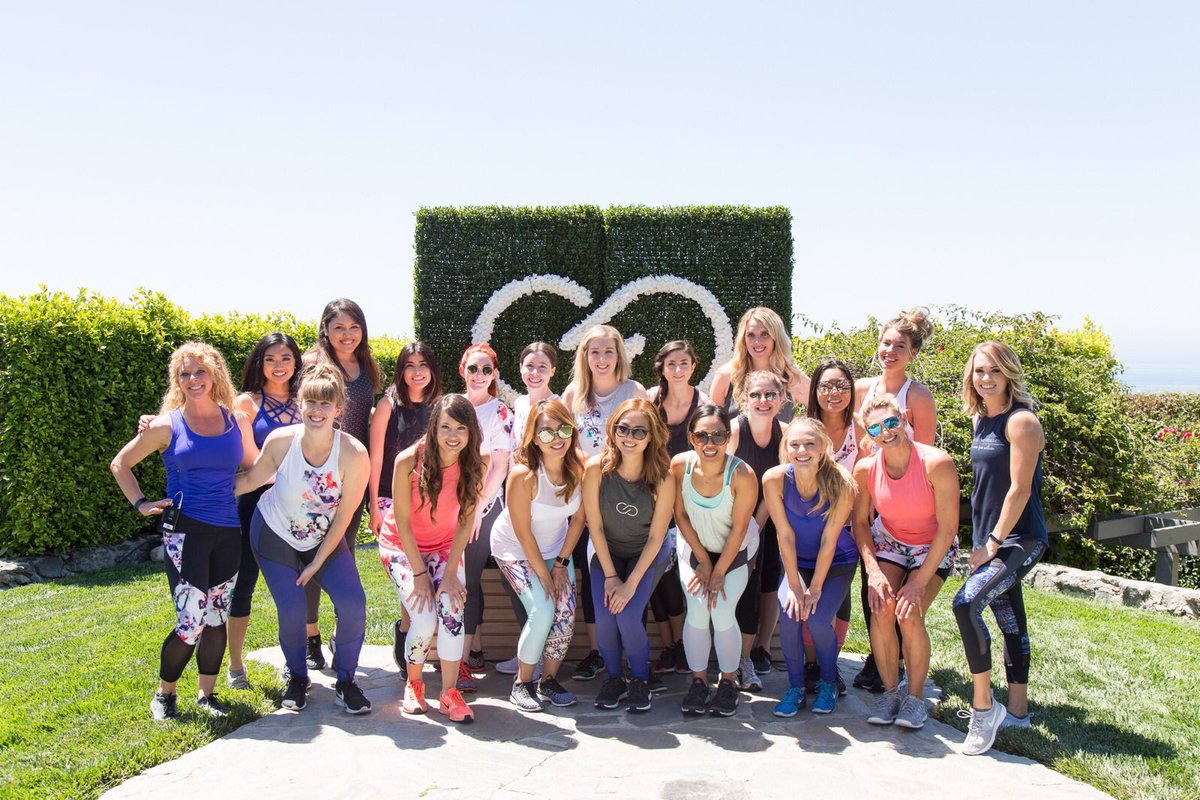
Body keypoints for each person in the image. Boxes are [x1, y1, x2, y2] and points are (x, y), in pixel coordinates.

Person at [110, 342, 256, 720]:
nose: (193, 379)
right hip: (185, 533)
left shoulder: (234, 421)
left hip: (227, 530)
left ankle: (207, 696)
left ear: (215, 375)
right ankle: (165, 694)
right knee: (190, 621)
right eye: (184, 374)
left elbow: (255, 468)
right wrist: (141, 503)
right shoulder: (165, 426)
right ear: (177, 381)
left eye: (200, 372)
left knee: (215, 617)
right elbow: (120, 464)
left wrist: (235, 486)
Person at [235, 363, 372, 714]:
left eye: (326, 403)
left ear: (339, 408)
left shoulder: (354, 453)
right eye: (310, 401)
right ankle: (297, 677)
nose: (317, 410)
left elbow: (344, 515)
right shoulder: (282, 441)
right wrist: (201, 492)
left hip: (324, 538)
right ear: (299, 404)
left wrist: (316, 563)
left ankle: (346, 681)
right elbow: (251, 481)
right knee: (293, 609)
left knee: (353, 603)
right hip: (274, 533)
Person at [954, 342, 1047, 756]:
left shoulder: (1021, 422)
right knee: (1009, 615)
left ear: (1008, 372)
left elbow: (1019, 489)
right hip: (989, 538)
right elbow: (982, 490)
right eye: (978, 371)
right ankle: (1019, 710)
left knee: (966, 604)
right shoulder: (981, 419)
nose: (985, 378)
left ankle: (983, 709)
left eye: (993, 370)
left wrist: (992, 544)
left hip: (1019, 538)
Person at [852, 393, 959, 730]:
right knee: (882, 607)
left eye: (891, 422)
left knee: (909, 613)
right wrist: (872, 572)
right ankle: (889, 692)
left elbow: (948, 529)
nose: (885, 431)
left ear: (905, 417)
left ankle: (915, 699)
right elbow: (859, 523)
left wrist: (917, 582)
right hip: (891, 542)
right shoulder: (867, 468)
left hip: (933, 545)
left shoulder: (935, 463)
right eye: (875, 428)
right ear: (867, 434)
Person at [378, 395, 485, 723]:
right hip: (401, 547)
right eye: (446, 427)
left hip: (445, 548)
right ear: (434, 427)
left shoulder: (475, 462)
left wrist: (451, 572)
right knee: (423, 618)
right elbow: (404, 523)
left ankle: (450, 693)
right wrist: (421, 575)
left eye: (461, 428)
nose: (454, 435)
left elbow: (466, 520)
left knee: (453, 613)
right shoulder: (408, 460)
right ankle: (414, 684)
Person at [853, 307, 937, 692]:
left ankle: (897, 666)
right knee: (872, 592)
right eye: (885, 343)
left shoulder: (917, 396)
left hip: (908, 508)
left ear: (913, 353)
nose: (890, 351)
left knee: (904, 598)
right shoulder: (862, 389)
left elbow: (927, 456)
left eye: (899, 346)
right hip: (870, 499)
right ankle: (880, 661)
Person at [562, 325, 648, 680]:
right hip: (587, 494)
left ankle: (633, 655)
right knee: (591, 571)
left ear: (619, 356)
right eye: (594, 352)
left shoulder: (633, 390)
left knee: (631, 574)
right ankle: (598, 652)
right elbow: (568, 443)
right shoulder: (573, 394)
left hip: (627, 493)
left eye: (608, 351)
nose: (601, 359)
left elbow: (645, 436)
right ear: (584, 356)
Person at [490, 399, 587, 712]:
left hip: (557, 548)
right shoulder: (524, 475)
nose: (556, 438)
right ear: (532, 436)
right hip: (515, 549)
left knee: (566, 612)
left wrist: (560, 564)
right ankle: (523, 683)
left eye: (563, 429)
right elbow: (522, 532)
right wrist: (544, 574)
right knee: (543, 610)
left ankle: (548, 681)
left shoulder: (581, 466)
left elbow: (579, 521)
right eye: (546, 433)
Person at [303, 299, 382, 670]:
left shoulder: (366, 367)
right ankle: (310, 636)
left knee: (342, 556)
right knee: (312, 557)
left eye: (353, 327)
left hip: (353, 472)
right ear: (325, 330)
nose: (346, 334)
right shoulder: (311, 364)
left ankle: (339, 633)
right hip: (317, 473)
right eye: (338, 327)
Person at [584, 399, 676, 713]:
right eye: (624, 428)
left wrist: (630, 583)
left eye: (640, 430)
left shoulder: (663, 476)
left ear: (652, 436)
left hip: (647, 556)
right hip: (606, 553)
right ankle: (615, 679)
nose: (630, 436)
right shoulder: (596, 469)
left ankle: (639, 679)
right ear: (613, 430)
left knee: (626, 614)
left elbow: (656, 536)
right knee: (606, 619)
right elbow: (594, 525)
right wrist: (611, 576)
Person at [763, 418, 858, 716]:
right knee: (791, 614)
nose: (802, 450)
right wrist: (794, 585)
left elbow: (830, 540)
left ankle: (828, 682)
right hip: (796, 563)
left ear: (822, 449)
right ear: (786, 449)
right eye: (795, 444)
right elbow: (785, 535)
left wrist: (814, 589)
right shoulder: (774, 479)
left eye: (809, 444)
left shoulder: (841, 482)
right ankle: (796, 687)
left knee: (816, 619)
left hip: (837, 563)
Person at [227, 333, 303, 690]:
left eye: (285, 358)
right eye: (270, 358)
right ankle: (235, 665)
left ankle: (296, 662)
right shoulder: (246, 403)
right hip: (253, 502)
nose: (278, 366)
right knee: (243, 583)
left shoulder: (307, 403)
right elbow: (248, 460)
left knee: (293, 587)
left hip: (298, 506)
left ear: (295, 362)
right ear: (259, 363)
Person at [672, 406, 759, 717]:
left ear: (728, 437)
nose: (710, 444)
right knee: (697, 606)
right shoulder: (679, 466)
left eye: (718, 436)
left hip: (735, 552)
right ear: (691, 437)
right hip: (695, 546)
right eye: (701, 436)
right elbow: (679, 514)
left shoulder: (743, 475)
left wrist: (719, 569)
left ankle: (727, 682)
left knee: (721, 609)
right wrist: (702, 561)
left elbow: (739, 529)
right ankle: (698, 682)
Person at [368, 341, 441, 680]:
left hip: (428, 503)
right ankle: (406, 634)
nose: (416, 372)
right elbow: (376, 457)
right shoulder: (388, 405)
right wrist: (373, 505)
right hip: (388, 498)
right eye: (409, 365)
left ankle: (410, 635)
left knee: (423, 570)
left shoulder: (441, 406)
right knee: (408, 574)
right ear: (401, 371)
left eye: (422, 364)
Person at [496, 341, 561, 677]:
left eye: (542, 367)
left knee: (543, 586)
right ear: (520, 369)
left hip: (547, 508)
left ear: (553, 371)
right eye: (529, 366)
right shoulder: (519, 404)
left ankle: (537, 664)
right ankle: (527, 649)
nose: (534, 373)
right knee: (518, 583)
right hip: (517, 501)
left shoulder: (558, 406)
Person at [646, 340, 708, 676]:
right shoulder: (650, 402)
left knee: (680, 574)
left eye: (684, 363)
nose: (678, 369)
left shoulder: (704, 404)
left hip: (691, 501)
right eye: (671, 364)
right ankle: (670, 646)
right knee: (657, 574)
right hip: (654, 498)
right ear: (662, 368)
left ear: (693, 366)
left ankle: (685, 645)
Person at [800, 358, 861, 691]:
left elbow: (864, 479)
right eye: (826, 386)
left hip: (848, 531)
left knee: (838, 600)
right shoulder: (804, 427)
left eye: (841, 385)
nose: (834, 393)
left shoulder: (860, 428)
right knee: (810, 596)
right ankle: (811, 664)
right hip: (809, 531)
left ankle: (830, 666)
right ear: (815, 391)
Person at [725, 371, 788, 691]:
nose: (763, 401)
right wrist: (742, 528)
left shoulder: (787, 435)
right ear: (743, 399)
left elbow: (776, 489)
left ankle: (746, 659)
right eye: (755, 395)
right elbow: (723, 483)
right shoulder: (735, 431)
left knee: (761, 583)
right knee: (736, 587)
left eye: (770, 395)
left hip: (770, 519)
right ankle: (726, 659)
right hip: (733, 519)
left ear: (781, 399)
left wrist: (756, 527)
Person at [458, 343, 513, 685]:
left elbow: (499, 465)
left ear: (494, 375)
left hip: (485, 507)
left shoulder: (500, 412)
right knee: (458, 578)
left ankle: (462, 660)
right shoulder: (449, 406)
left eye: (486, 370)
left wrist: (477, 509)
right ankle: (472, 650)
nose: (479, 375)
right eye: (472, 368)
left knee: (470, 578)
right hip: (450, 507)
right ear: (462, 370)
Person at [709, 307, 809, 424]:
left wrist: (798, 429)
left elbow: (821, 408)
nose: (757, 341)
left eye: (765, 334)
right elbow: (711, 423)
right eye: (751, 335)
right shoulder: (726, 375)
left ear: (776, 337)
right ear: (743, 339)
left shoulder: (792, 377)